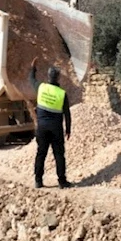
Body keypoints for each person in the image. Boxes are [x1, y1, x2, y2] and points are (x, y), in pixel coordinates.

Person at [29, 57, 73, 189]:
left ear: (48, 77)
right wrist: (68, 130)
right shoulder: (62, 94)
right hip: (56, 129)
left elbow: (31, 80)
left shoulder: (41, 88)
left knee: (41, 153)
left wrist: (33, 68)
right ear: (58, 78)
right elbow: (67, 114)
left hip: (42, 127)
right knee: (59, 155)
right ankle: (62, 181)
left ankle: (38, 180)